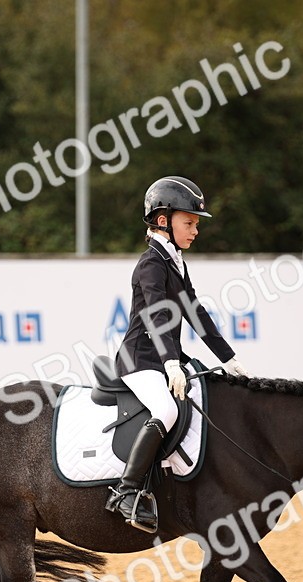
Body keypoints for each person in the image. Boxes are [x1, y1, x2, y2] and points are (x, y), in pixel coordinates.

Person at [105, 176, 249, 532]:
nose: (196, 231)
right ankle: (126, 491)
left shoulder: (174, 262)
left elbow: (196, 313)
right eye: (190, 222)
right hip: (140, 360)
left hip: (164, 358)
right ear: (163, 220)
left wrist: (228, 359)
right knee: (167, 410)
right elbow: (157, 314)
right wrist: (171, 363)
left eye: (197, 224)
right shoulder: (151, 264)